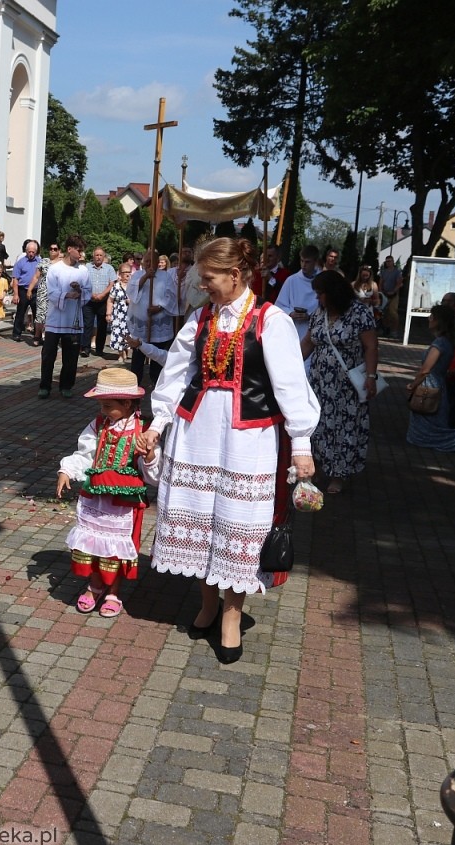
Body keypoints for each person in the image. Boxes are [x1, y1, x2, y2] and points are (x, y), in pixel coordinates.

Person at [136, 238, 320, 664]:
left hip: (247, 439)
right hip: (196, 432)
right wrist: (158, 423)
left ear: (235, 275)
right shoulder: (201, 319)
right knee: (199, 523)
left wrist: (302, 444)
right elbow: (177, 374)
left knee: (237, 527)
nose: (203, 286)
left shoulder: (270, 320)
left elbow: (292, 385)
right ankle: (206, 603)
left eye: (209, 278)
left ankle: (232, 617)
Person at [57, 368, 154, 619]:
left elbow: (153, 473)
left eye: (107, 405)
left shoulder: (143, 430)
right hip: (96, 496)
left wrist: (150, 455)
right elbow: (85, 454)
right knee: (93, 543)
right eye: (101, 405)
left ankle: (113, 591)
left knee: (116, 548)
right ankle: (95, 584)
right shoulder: (99, 425)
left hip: (124, 501)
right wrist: (67, 470)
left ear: (127, 403)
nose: (102, 411)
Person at [300, 271, 380, 495]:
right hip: (320, 384)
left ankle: (338, 475)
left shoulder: (359, 313)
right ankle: (316, 468)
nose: (318, 299)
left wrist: (371, 377)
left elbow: (371, 347)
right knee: (319, 427)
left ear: (333, 293)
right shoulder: (320, 314)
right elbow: (308, 342)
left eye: (320, 294)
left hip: (347, 387)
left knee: (344, 430)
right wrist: (290, 365)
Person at [405, 305, 455, 452]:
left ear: (438, 321)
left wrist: (413, 385)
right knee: (428, 422)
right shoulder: (447, 341)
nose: (429, 319)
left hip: (430, 386)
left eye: (432, 316)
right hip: (438, 384)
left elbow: (426, 369)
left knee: (428, 423)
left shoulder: (440, 343)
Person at [39, 235, 90, 398]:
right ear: (70, 249)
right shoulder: (55, 269)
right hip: (55, 319)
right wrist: (67, 295)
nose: (81, 255)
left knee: (71, 356)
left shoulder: (83, 270)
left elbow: (88, 292)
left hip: (73, 320)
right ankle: (45, 386)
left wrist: (80, 291)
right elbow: (51, 292)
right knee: (48, 355)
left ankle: (66, 385)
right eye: (79, 251)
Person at [126, 249, 178, 388]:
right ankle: (134, 384)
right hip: (141, 323)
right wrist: (144, 278)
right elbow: (131, 292)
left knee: (157, 356)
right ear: (143, 262)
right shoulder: (137, 275)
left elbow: (171, 296)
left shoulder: (165, 276)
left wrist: (160, 307)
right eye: (147, 261)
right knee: (138, 356)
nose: (149, 264)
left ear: (157, 262)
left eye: (152, 261)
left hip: (159, 323)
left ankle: (157, 383)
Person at [275, 244, 319, 341]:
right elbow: (279, 305)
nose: (303, 265)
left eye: (307, 262)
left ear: (315, 262)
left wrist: (310, 316)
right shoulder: (292, 280)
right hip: (293, 330)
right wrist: (290, 313)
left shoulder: (322, 281)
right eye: (302, 261)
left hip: (313, 331)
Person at [82, 247, 117, 359]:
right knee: (88, 325)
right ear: (93, 256)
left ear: (104, 256)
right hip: (89, 301)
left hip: (103, 301)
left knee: (102, 327)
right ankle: (85, 348)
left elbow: (112, 283)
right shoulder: (87, 267)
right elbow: (83, 281)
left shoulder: (109, 268)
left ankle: (99, 349)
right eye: (96, 255)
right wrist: (91, 293)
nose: (98, 257)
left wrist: (102, 294)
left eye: (100, 255)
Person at [11, 240, 42, 343]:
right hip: (23, 290)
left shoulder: (40, 262)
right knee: (21, 312)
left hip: (35, 291)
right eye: (29, 252)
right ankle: (17, 333)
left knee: (37, 313)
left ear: (36, 252)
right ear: (26, 251)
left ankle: (37, 334)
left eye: (33, 252)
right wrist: (16, 294)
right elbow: (15, 279)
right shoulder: (20, 262)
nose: (31, 254)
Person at [34, 243, 60, 346]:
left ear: (59, 251)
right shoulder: (43, 261)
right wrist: (30, 289)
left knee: (51, 315)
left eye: (55, 249)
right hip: (43, 291)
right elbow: (36, 276)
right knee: (40, 314)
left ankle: (48, 336)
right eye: (51, 248)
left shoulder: (61, 263)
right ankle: (37, 335)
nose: (52, 250)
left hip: (55, 291)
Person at [107, 263, 133, 359]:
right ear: (120, 274)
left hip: (131, 315)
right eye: (125, 272)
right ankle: (120, 354)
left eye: (129, 272)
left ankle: (126, 350)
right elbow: (110, 301)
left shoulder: (133, 286)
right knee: (118, 333)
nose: (127, 274)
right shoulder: (116, 286)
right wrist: (108, 314)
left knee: (129, 333)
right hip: (118, 315)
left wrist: (132, 302)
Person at [379, 255, 403, 336]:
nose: (388, 263)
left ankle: (394, 330)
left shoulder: (397, 272)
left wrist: (393, 291)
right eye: (387, 261)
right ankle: (386, 329)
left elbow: (399, 283)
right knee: (384, 313)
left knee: (393, 312)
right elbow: (381, 282)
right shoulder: (383, 272)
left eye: (390, 261)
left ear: (393, 262)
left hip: (394, 295)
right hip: (385, 294)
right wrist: (380, 291)